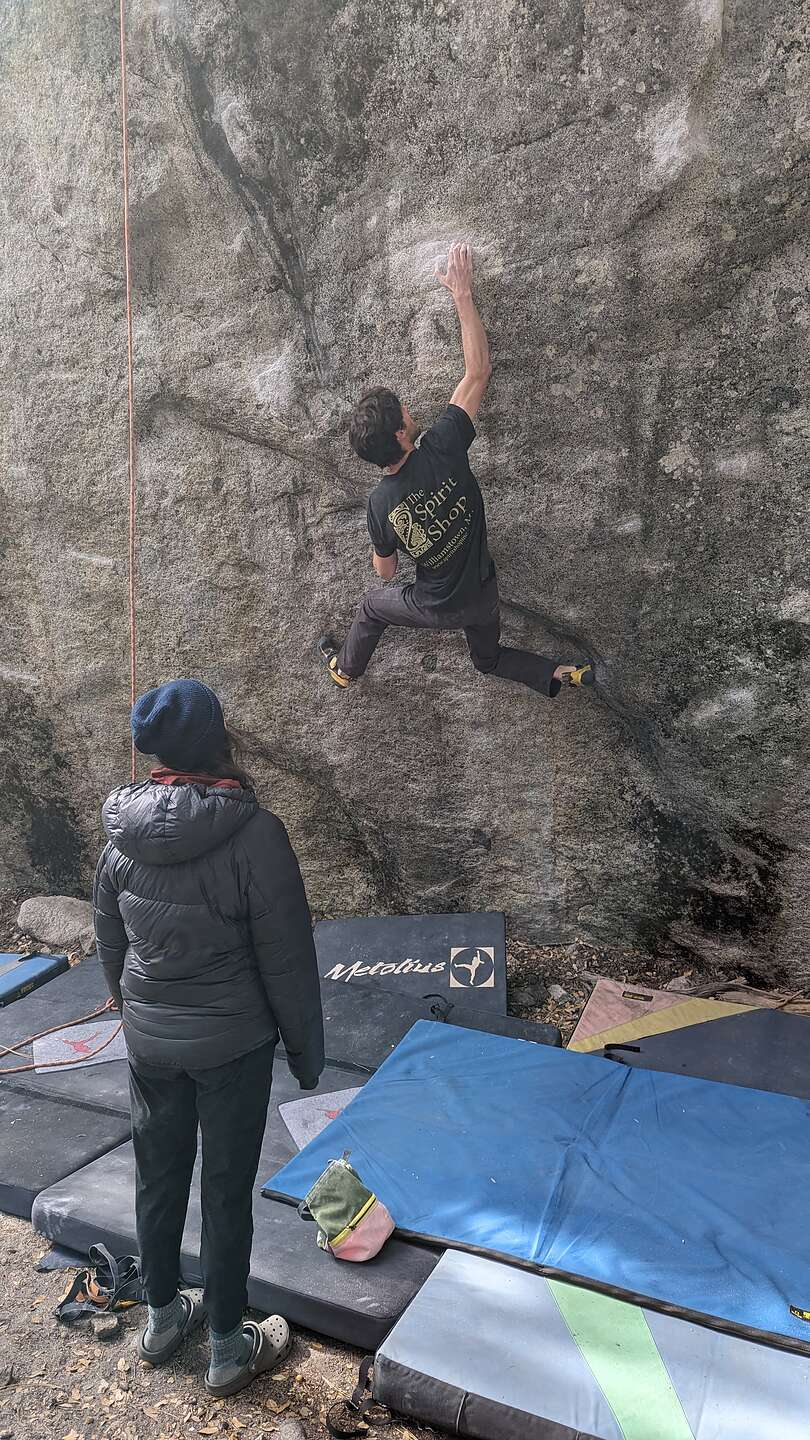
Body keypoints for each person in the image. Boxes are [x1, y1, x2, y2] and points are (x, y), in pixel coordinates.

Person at [93, 679, 324, 1397]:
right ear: (218, 740)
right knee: (226, 1194)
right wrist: (306, 1054)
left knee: (156, 1179)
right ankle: (227, 1345)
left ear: (155, 750)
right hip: (233, 1050)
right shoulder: (256, 833)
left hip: (151, 1043)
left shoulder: (118, 836)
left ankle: (163, 1319)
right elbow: (287, 956)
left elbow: (110, 938)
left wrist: (130, 1012)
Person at [319, 242, 594, 697]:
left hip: (436, 605)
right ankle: (562, 672)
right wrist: (462, 296)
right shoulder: (443, 446)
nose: (410, 412)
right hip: (483, 594)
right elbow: (478, 371)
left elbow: (385, 574)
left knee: (372, 605)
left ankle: (345, 670)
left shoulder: (381, 503)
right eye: (404, 413)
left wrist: (394, 541)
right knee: (487, 658)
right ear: (402, 436)